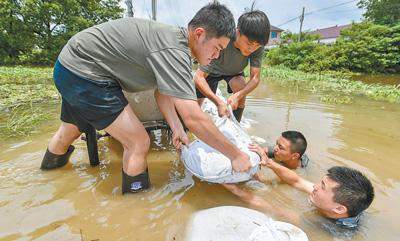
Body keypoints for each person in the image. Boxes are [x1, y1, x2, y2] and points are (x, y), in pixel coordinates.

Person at [40, 2, 252, 194]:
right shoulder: (175, 50)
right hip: (86, 74)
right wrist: (236, 156)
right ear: (199, 34)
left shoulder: (173, 40)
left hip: (69, 65)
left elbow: (162, 92)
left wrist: (176, 128)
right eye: (217, 48)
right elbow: (194, 118)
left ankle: (45, 183)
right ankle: (136, 207)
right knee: (138, 142)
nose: (216, 56)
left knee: (69, 131)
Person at [224, 145, 375, 230]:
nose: (314, 186)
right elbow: (297, 181)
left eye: (322, 187)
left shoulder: (324, 225)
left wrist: (234, 189)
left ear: (339, 209)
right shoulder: (337, 200)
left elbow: (272, 209)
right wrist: (268, 162)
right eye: (320, 182)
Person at [195, 9, 270, 122]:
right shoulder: (224, 38)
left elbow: (255, 78)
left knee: (240, 87)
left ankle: (236, 124)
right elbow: (198, 77)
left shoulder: (257, 46)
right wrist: (218, 102)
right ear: (237, 32)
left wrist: (238, 95)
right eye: (249, 44)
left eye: (257, 45)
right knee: (196, 104)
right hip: (212, 71)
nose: (252, 49)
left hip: (234, 73)